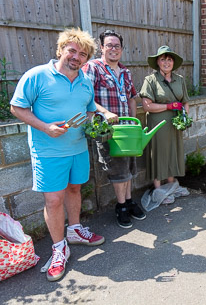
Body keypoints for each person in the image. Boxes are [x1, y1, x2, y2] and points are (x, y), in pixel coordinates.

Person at [10, 28, 105, 282]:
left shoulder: (85, 81)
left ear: (86, 59)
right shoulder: (37, 76)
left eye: (82, 54)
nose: (76, 57)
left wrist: (94, 121)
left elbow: (87, 110)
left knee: (75, 190)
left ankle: (74, 231)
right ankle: (59, 248)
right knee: (53, 201)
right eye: (72, 50)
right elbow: (16, 107)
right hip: (48, 152)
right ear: (61, 49)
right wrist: (45, 127)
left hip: (78, 148)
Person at [82, 30, 145, 229]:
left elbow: (132, 97)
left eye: (117, 46)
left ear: (122, 49)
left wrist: (134, 122)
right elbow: (86, 97)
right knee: (118, 169)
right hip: (109, 130)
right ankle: (121, 207)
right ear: (101, 48)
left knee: (129, 167)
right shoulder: (93, 68)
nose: (113, 49)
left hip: (127, 129)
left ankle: (127, 201)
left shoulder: (126, 72)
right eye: (109, 45)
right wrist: (104, 112)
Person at [140, 45, 190, 191]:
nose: (166, 62)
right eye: (163, 59)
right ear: (158, 62)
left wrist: (185, 118)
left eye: (169, 59)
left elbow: (185, 101)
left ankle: (170, 187)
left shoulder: (179, 80)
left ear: (173, 62)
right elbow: (146, 106)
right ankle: (158, 190)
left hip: (175, 124)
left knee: (172, 152)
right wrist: (168, 107)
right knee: (158, 154)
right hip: (158, 124)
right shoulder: (150, 80)